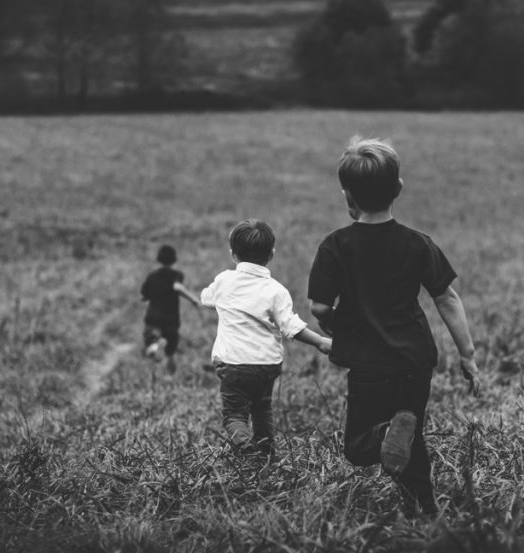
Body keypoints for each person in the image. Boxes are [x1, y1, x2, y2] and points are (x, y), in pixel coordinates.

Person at [307, 136, 481, 518]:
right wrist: (467, 355)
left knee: (359, 445)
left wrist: (335, 324)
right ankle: (425, 510)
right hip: (415, 362)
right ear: (398, 190)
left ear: (346, 195)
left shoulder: (336, 246)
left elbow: (319, 305)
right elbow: (448, 298)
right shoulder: (418, 244)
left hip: (369, 365)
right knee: (409, 438)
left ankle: (388, 436)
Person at [201, 219, 332, 458]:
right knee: (262, 409)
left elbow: (207, 298)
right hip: (266, 364)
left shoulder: (223, 280)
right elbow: (290, 325)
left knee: (234, 415)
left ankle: (245, 447)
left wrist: (210, 296)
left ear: (233, 254)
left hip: (233, 364)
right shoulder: (276, 290)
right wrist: (321, 341)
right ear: (271, 254)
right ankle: (267, 454)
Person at [141, 244, 200, 373]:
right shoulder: (176, 274)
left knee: (150, 340)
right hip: (171, 319)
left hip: (154, 318)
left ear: (159, 258)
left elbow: (144, 295)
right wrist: (193, 299)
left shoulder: (152, 276)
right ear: (174, 259)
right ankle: (170, 375)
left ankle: (155, 345)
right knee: (171, 351)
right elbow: (178, 287)